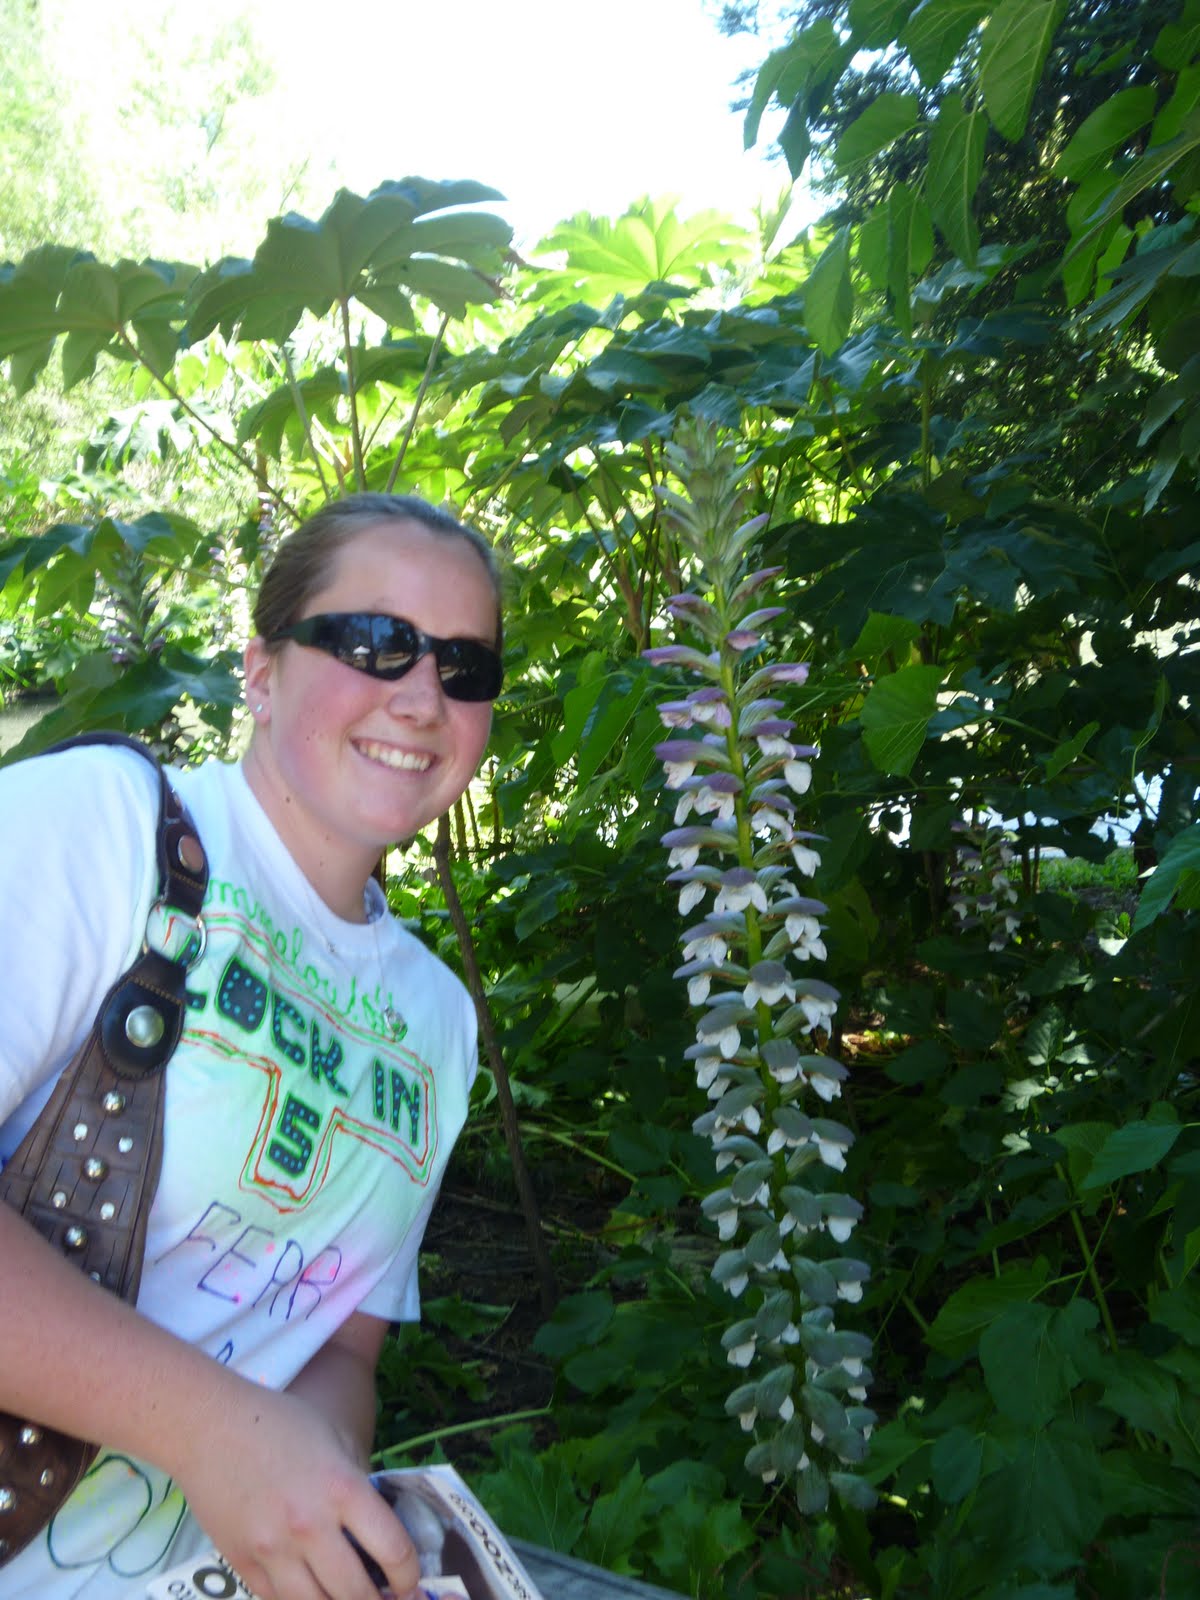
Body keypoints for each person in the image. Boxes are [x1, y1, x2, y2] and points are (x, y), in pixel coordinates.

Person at [0, 493, 503, 1600]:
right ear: (262, 672)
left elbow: (340, 1348)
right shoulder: (102, 825)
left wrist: (320, 1505)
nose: (422, 695)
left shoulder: (439, 1020)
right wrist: (218, 1435)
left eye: (466, 667)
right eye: (376, 643)